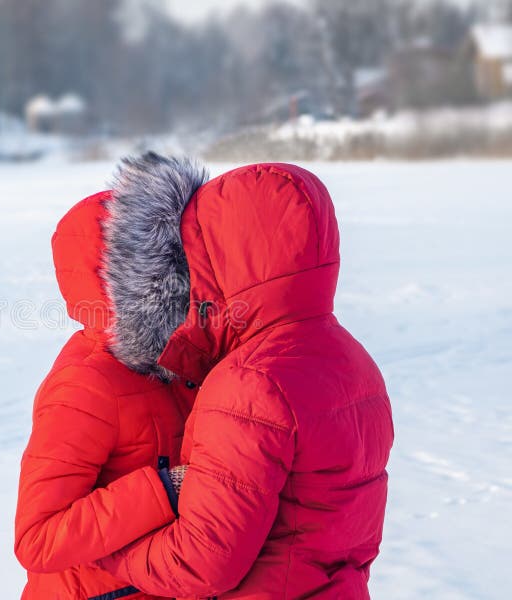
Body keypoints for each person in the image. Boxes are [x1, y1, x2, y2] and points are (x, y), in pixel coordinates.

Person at [95, 153, 394, 599]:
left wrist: (107, 553)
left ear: (228, 256)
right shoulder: (353, 360)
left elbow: (200, 564)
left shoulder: (249, 383)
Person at [13, 184, 204, 600]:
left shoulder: (185, 363)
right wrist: (166, 489)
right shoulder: (86, 386)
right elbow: (38, 538)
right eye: (164, 269)